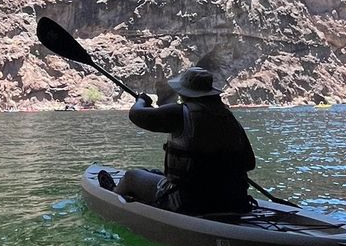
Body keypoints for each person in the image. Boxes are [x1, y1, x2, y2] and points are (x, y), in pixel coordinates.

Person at [98, 66, 256, 216]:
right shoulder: (227, 117)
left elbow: (136, 114)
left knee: (131, 177)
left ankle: (114, 193)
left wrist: (141, 101)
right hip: (235, 199)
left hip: (191, 200)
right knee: (154, 174)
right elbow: (249, 163)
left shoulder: (181, 113)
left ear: (185, 92)